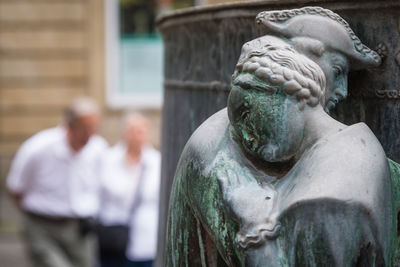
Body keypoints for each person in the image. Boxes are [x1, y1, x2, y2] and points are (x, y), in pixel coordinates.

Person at [166, 33, 394, 266]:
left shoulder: (327, 201)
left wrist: (254, 226)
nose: (247, 139)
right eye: (237, 126)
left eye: (250, 117)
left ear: (297, 97)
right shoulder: (354, 146)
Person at [6, 97, 108, 267]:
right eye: (85, 129)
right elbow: (16, 189)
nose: (90, 135)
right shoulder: (37, 148)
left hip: (81, 229)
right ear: (69, 125)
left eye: (94, 129)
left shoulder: (98, 148)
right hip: (43, 226)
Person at [97, 113, 161, 267]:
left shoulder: (156, 161)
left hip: (146, 239)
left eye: (141, 130)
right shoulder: (108, 159)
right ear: (124, 133)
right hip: (113, 239)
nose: (137, 136)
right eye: (133, 130)